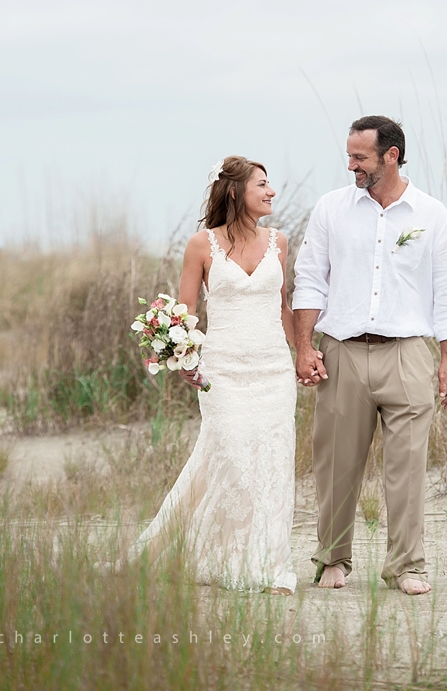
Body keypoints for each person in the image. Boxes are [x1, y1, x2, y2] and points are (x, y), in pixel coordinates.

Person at [292, 115, 447, 595]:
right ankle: (332, 558)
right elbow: (309, 280)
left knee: (408, 466)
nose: (351, 165)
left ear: (391, 155)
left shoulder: (432, 215)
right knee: (335, 464)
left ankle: (407, 566)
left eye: (359, 157)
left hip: (408, 353)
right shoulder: (331, 209)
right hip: (342, 353)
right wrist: (304, 347)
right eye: (349, 156)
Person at [124, 156, 306, 594]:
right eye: (262, 184)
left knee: (274, 464)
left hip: (272, 370)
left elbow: (282, 306)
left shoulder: (279, 242)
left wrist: (303, 350)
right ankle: (214, 552)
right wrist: (184, 359)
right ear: (235, 192)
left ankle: (269, 566)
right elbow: (184, 315)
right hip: (222, 372)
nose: (271, 192)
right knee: (235, 461)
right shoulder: (200, 246)